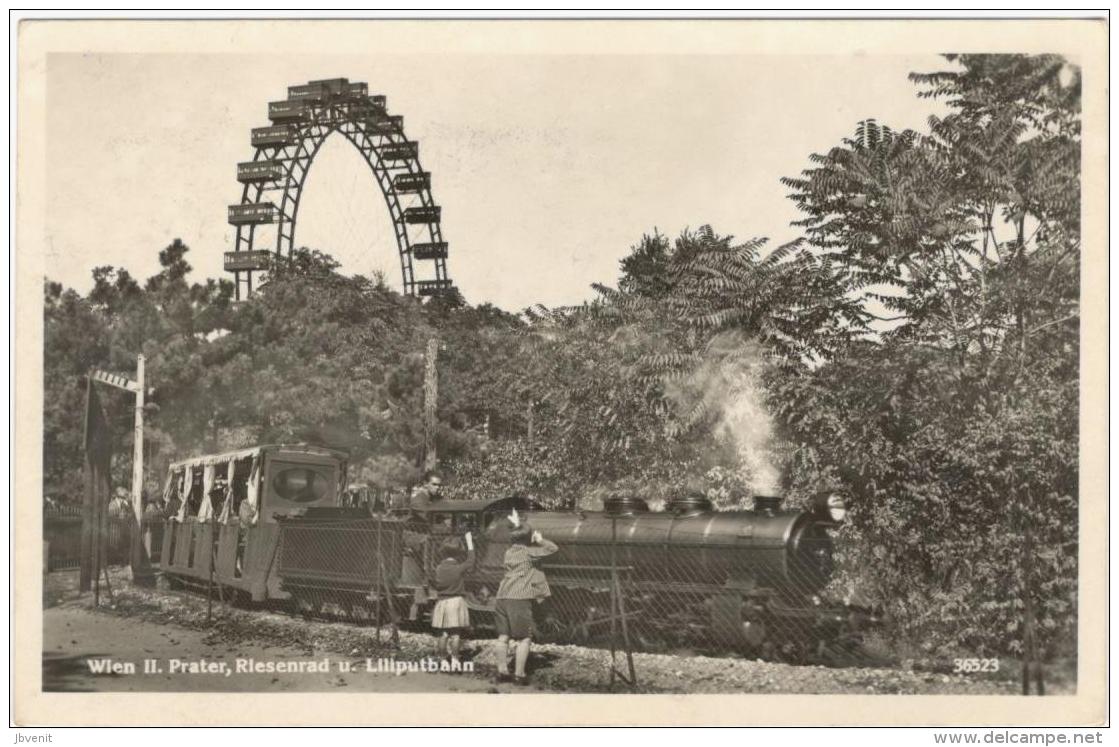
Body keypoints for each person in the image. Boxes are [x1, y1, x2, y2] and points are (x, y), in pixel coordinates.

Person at [493, 508, 557, 685]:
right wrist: (539, 540)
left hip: (502, 595)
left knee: (503, 637)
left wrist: (518, 526)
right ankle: (519, 674)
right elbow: (553, 548)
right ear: (528, 538)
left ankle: (502, 671)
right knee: (524, 638)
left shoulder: (509, 552)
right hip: (519, 597)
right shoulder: (530, 552)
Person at [431, 532, 476, 668]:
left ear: (443, 552)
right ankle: (455, 660)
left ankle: (443, 660)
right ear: (458, 553)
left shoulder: (438, 569)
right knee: (455, 634)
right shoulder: (459, 568)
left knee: (443, 634)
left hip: (442, 602)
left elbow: (433, 583)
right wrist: (469, 542)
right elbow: (471, 560)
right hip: (456, 602)